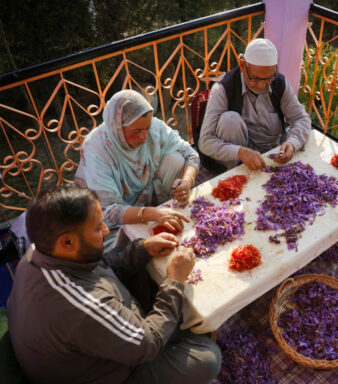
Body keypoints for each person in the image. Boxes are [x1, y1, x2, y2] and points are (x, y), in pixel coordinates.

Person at [7, 185, 221, 384]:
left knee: (138, 265)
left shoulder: (38, 252)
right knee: (207, 358)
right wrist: (174, 280)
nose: (107, 231)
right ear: (68, 242)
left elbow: (100, 266)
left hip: (78, 347)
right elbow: (149, 344)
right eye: (98, 227)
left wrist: (142, 248)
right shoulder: (81, 305)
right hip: (111, 374)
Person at [75, 89, 199, 248]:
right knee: (121, 249)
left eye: (147, 128)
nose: (144, 136)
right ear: (117, 127)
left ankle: (159, 209)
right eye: (136, 131)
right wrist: (153, 213)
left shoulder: (154, 128)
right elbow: (107, 211)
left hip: (144, 196)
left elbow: (191, 155)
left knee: (175, 159)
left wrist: (187, 182)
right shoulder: (97, 148)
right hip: (107, 213)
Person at [198, 38, 311, 171]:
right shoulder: (223, 89)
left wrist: (292, 143)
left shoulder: (279, 83)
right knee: (229, 120)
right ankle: (234, 173)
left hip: (272, 152)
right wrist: (240, 152)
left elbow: (301, 118)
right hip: (237, 157)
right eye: (256, 78)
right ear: (242, 65)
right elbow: (205, 141)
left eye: (269, 78)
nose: (262, 85)